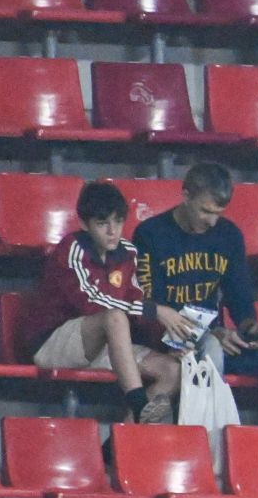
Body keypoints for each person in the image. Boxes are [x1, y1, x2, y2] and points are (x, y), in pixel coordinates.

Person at [133, 163, 258, 427]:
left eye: (218, 213)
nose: (211, 221)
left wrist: (251, 329)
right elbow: (150, 305)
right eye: (205, 211)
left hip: (213, 339)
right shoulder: (151, 234)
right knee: (212, 345)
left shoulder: (228, 235)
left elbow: (239, 297)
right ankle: (208, 446)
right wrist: (210, 334)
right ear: (186, 196)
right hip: (170, 343)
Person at [19, 181, 181, 424]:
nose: (112, 231)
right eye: (102, 223)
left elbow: (136, 304)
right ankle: (138, 405)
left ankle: (114, 447)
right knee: (114, 316)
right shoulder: (71, 248)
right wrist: (155, 310)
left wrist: (169, 339)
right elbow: (93, 302)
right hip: (53, 344)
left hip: (107, 342)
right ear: (84, 224)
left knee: (173, 370)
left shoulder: (128, 252)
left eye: (117, 221)